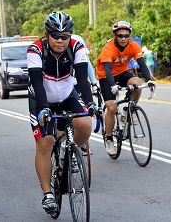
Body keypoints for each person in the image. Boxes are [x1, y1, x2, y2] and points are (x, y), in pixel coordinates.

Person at [27, 11, 98, 215]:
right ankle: (48, 193)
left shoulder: (77, 47)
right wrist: (44, 108)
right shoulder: (36, 49)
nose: (60, 40)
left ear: (70, 36)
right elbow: (37, 83)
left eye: (65, 36)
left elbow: (83, 79)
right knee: (45, 143)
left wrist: (91, 104)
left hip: (67, 94)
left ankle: (73, 150)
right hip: (41, 98)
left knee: (85, 124)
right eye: (55, 36)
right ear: (47, 35)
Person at [96, 20, 155, 157]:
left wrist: (150, 80)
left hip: (123, 72)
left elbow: (142, 64)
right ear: (115, 35)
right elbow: (108, 70)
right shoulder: (108, 49)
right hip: (106, 76)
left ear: (129, 36)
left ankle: (128, 110)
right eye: (120, 36)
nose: (123, 38)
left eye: (126, 36)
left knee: (137, 83)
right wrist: (113, 86)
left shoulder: (134, 45)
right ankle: (109, 139)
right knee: (111, 107)